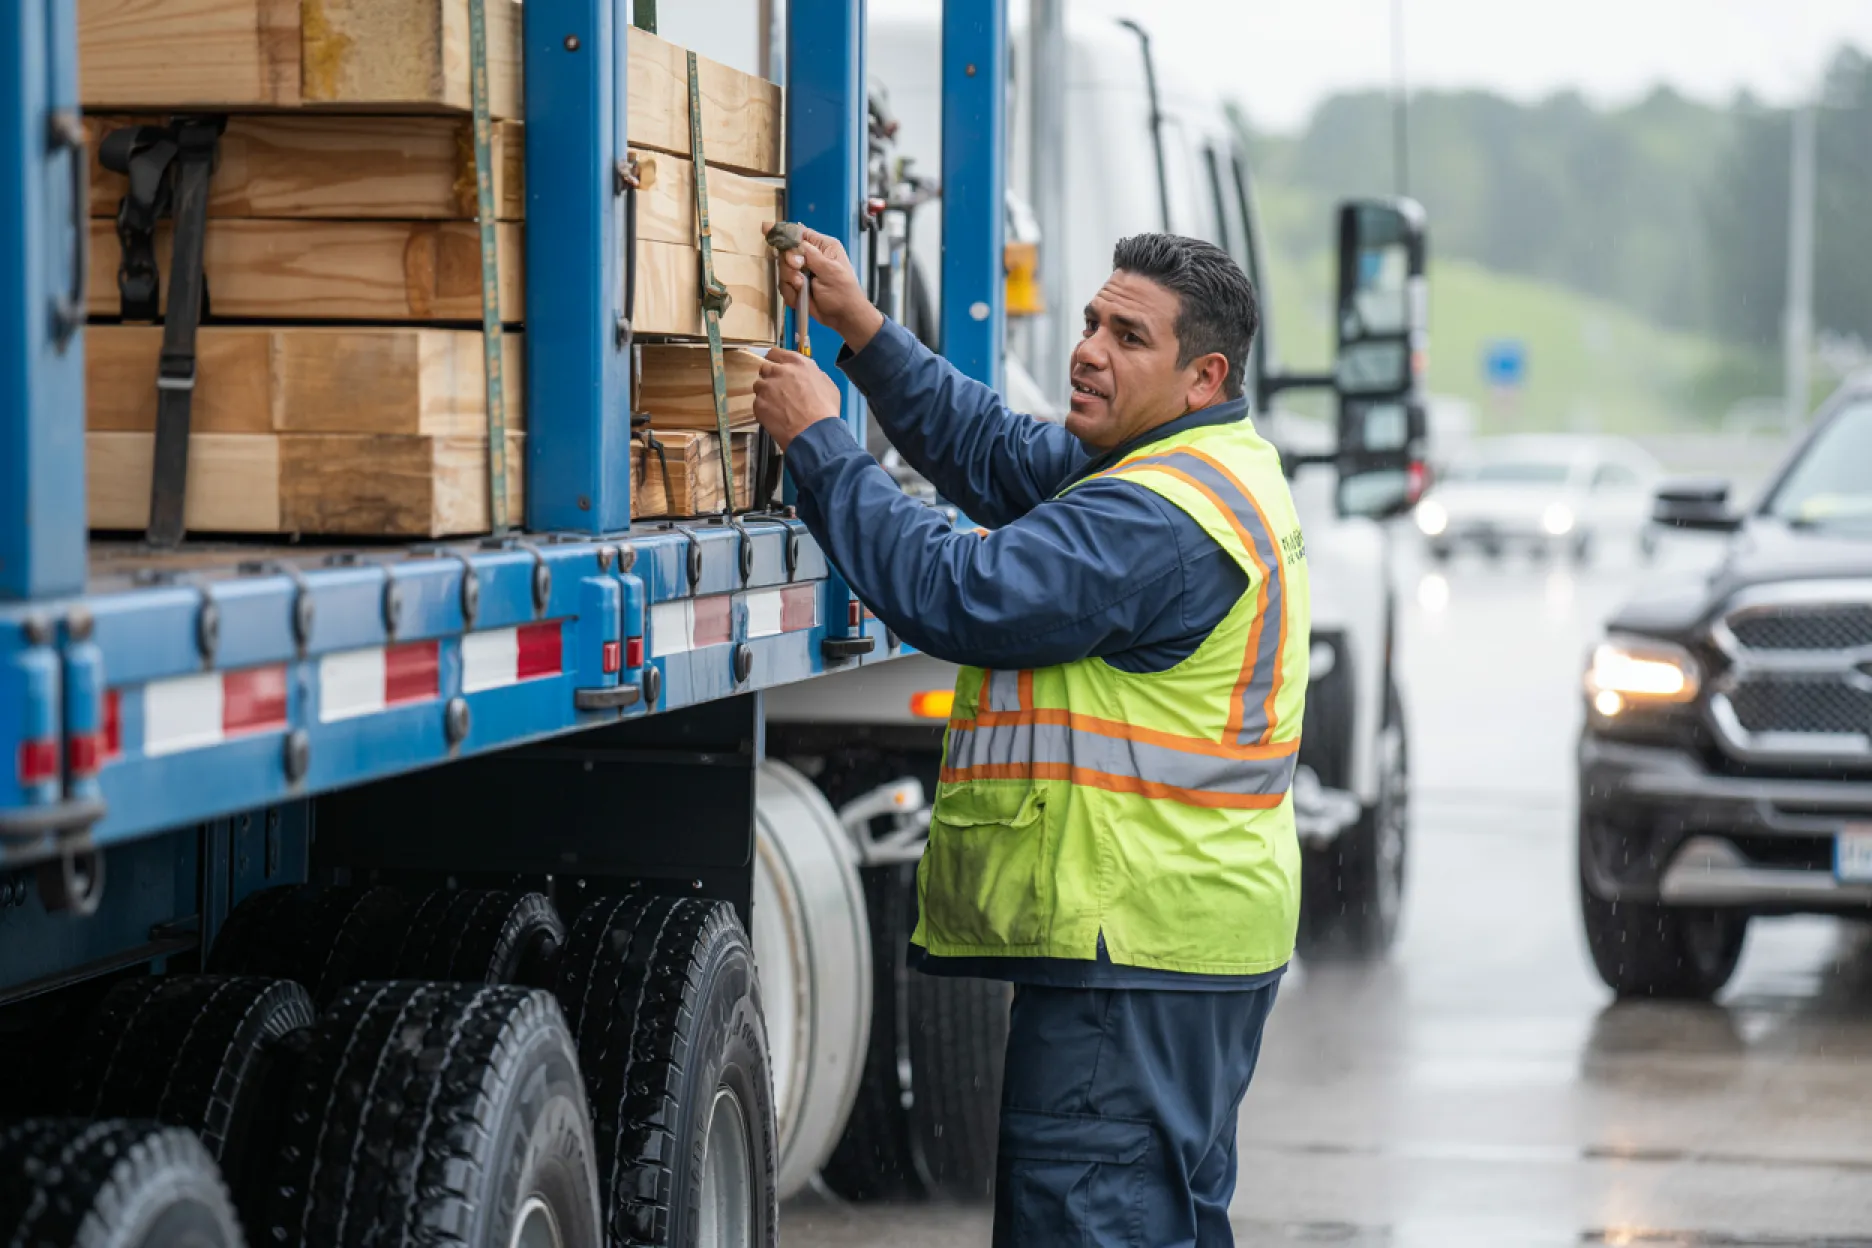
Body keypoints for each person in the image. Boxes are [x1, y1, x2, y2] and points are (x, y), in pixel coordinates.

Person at [751, 227, 1309, 1248]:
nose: (1088, 347)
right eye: (1093, 321)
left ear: (1203, 376)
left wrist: (821, 446)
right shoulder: (1188, 465)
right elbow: (996, 451)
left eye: (1128, 335)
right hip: (1180, 946)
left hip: (1134, 950)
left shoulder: (1159, 517)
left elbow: (963, 595)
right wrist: (865, 333)